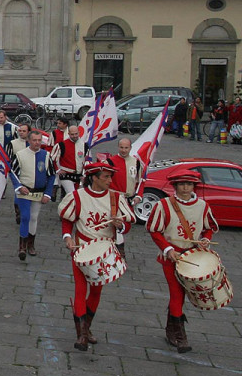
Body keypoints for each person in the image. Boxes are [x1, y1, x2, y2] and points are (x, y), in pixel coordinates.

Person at [59, 161, 135, 351]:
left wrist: (120, 225)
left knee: (96, 291)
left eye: (111, 177)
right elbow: (68, 221)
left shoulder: (116, 198)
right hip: (81, 249)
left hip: (104, 251)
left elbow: (127, 225)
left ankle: (87, 328)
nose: (110, 180)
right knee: (80, 288)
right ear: (94, 178)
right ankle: (82, 335)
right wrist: (68, 237)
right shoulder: (77, 196)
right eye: (106, 177)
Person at [147, 169, 220, 353]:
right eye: (181, 184)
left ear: (194, 186)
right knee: (176, 294)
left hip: (192, 257)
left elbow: (209, 228)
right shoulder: (164, 205)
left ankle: (170, 330)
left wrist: (205, 239)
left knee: (181, 296)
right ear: (175, 186)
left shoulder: (202, 205)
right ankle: (181, 338)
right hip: (171, 257)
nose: (185, 187)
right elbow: (155, 231)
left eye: (189, 184)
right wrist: (168, 248)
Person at [9, 130, 55, 259]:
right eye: (34, 140)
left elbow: (51, 176)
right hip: (24, 191)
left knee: (34, 217)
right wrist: (19, 186)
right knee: (25, 216)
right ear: (29, 141)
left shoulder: (46, 155)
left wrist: (48, 194)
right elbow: (13, 173)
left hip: (38, 192)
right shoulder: (20, 155)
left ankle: (31, 244)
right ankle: (22, 246)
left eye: (39, 140)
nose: (37, 143)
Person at [105, 135, 143, 260]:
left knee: (125, 224)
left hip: (129, 198)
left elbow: (141, 181)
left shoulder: (136, 162)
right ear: (118, 147)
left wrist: (139, 196)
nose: (123, 150)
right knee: (117, 223)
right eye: (121, 147)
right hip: (114, 197)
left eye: (126, 148)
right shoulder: (110, 162)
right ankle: (119, 251)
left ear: (130, 148)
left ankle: (116, 249)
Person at [52, 123, 87, 205]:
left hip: (79, 175)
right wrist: (58, 170)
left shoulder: (84, 145)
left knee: (77, 196)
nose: (74, 136)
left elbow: (88, 161)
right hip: (66, 175)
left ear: (79, 132)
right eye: (72, 134)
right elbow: (52, 158)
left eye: (76, 134)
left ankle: (66, 210)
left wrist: (85, 174)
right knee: (73, 196)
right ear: (68, 134)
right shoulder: (61, 145)